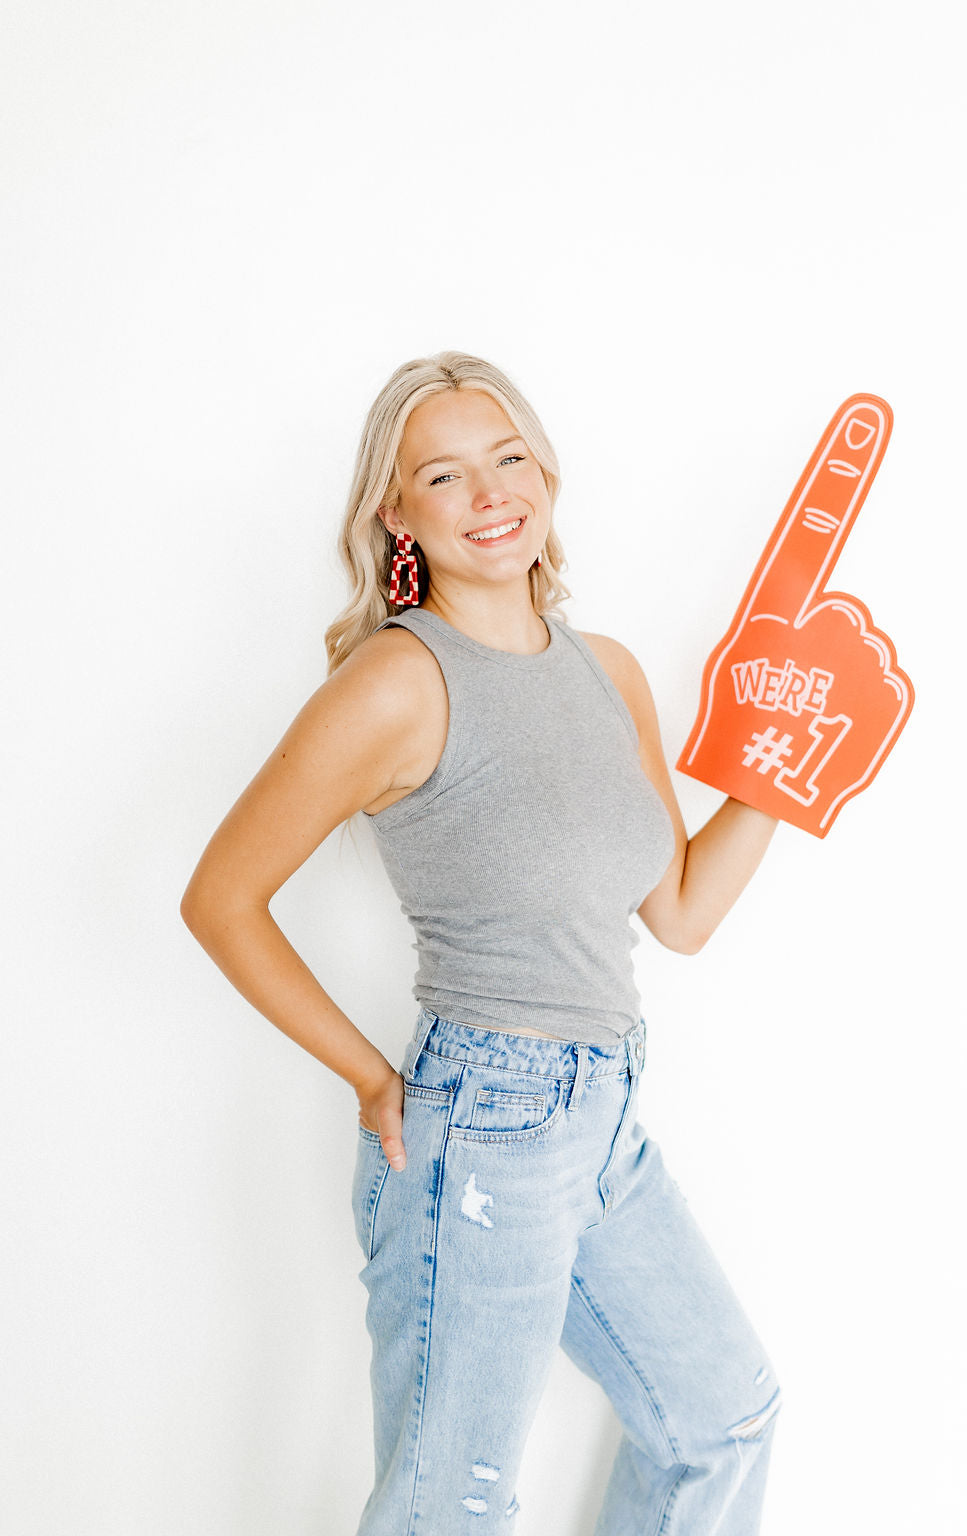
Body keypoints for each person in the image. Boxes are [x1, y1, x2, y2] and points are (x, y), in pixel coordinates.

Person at [180, 350, 783, 1534]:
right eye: (444, 476)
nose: (490, 493)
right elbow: (221, 899)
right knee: (449, 1506)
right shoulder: (398, 681)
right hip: (486, 1127)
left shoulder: (604, 671)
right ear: (396, 514)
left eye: (508, 458)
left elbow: (678, 913)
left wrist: (773, 769)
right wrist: (370, 1076)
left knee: (722, 1420)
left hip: (605, 1116)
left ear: (546, 471)